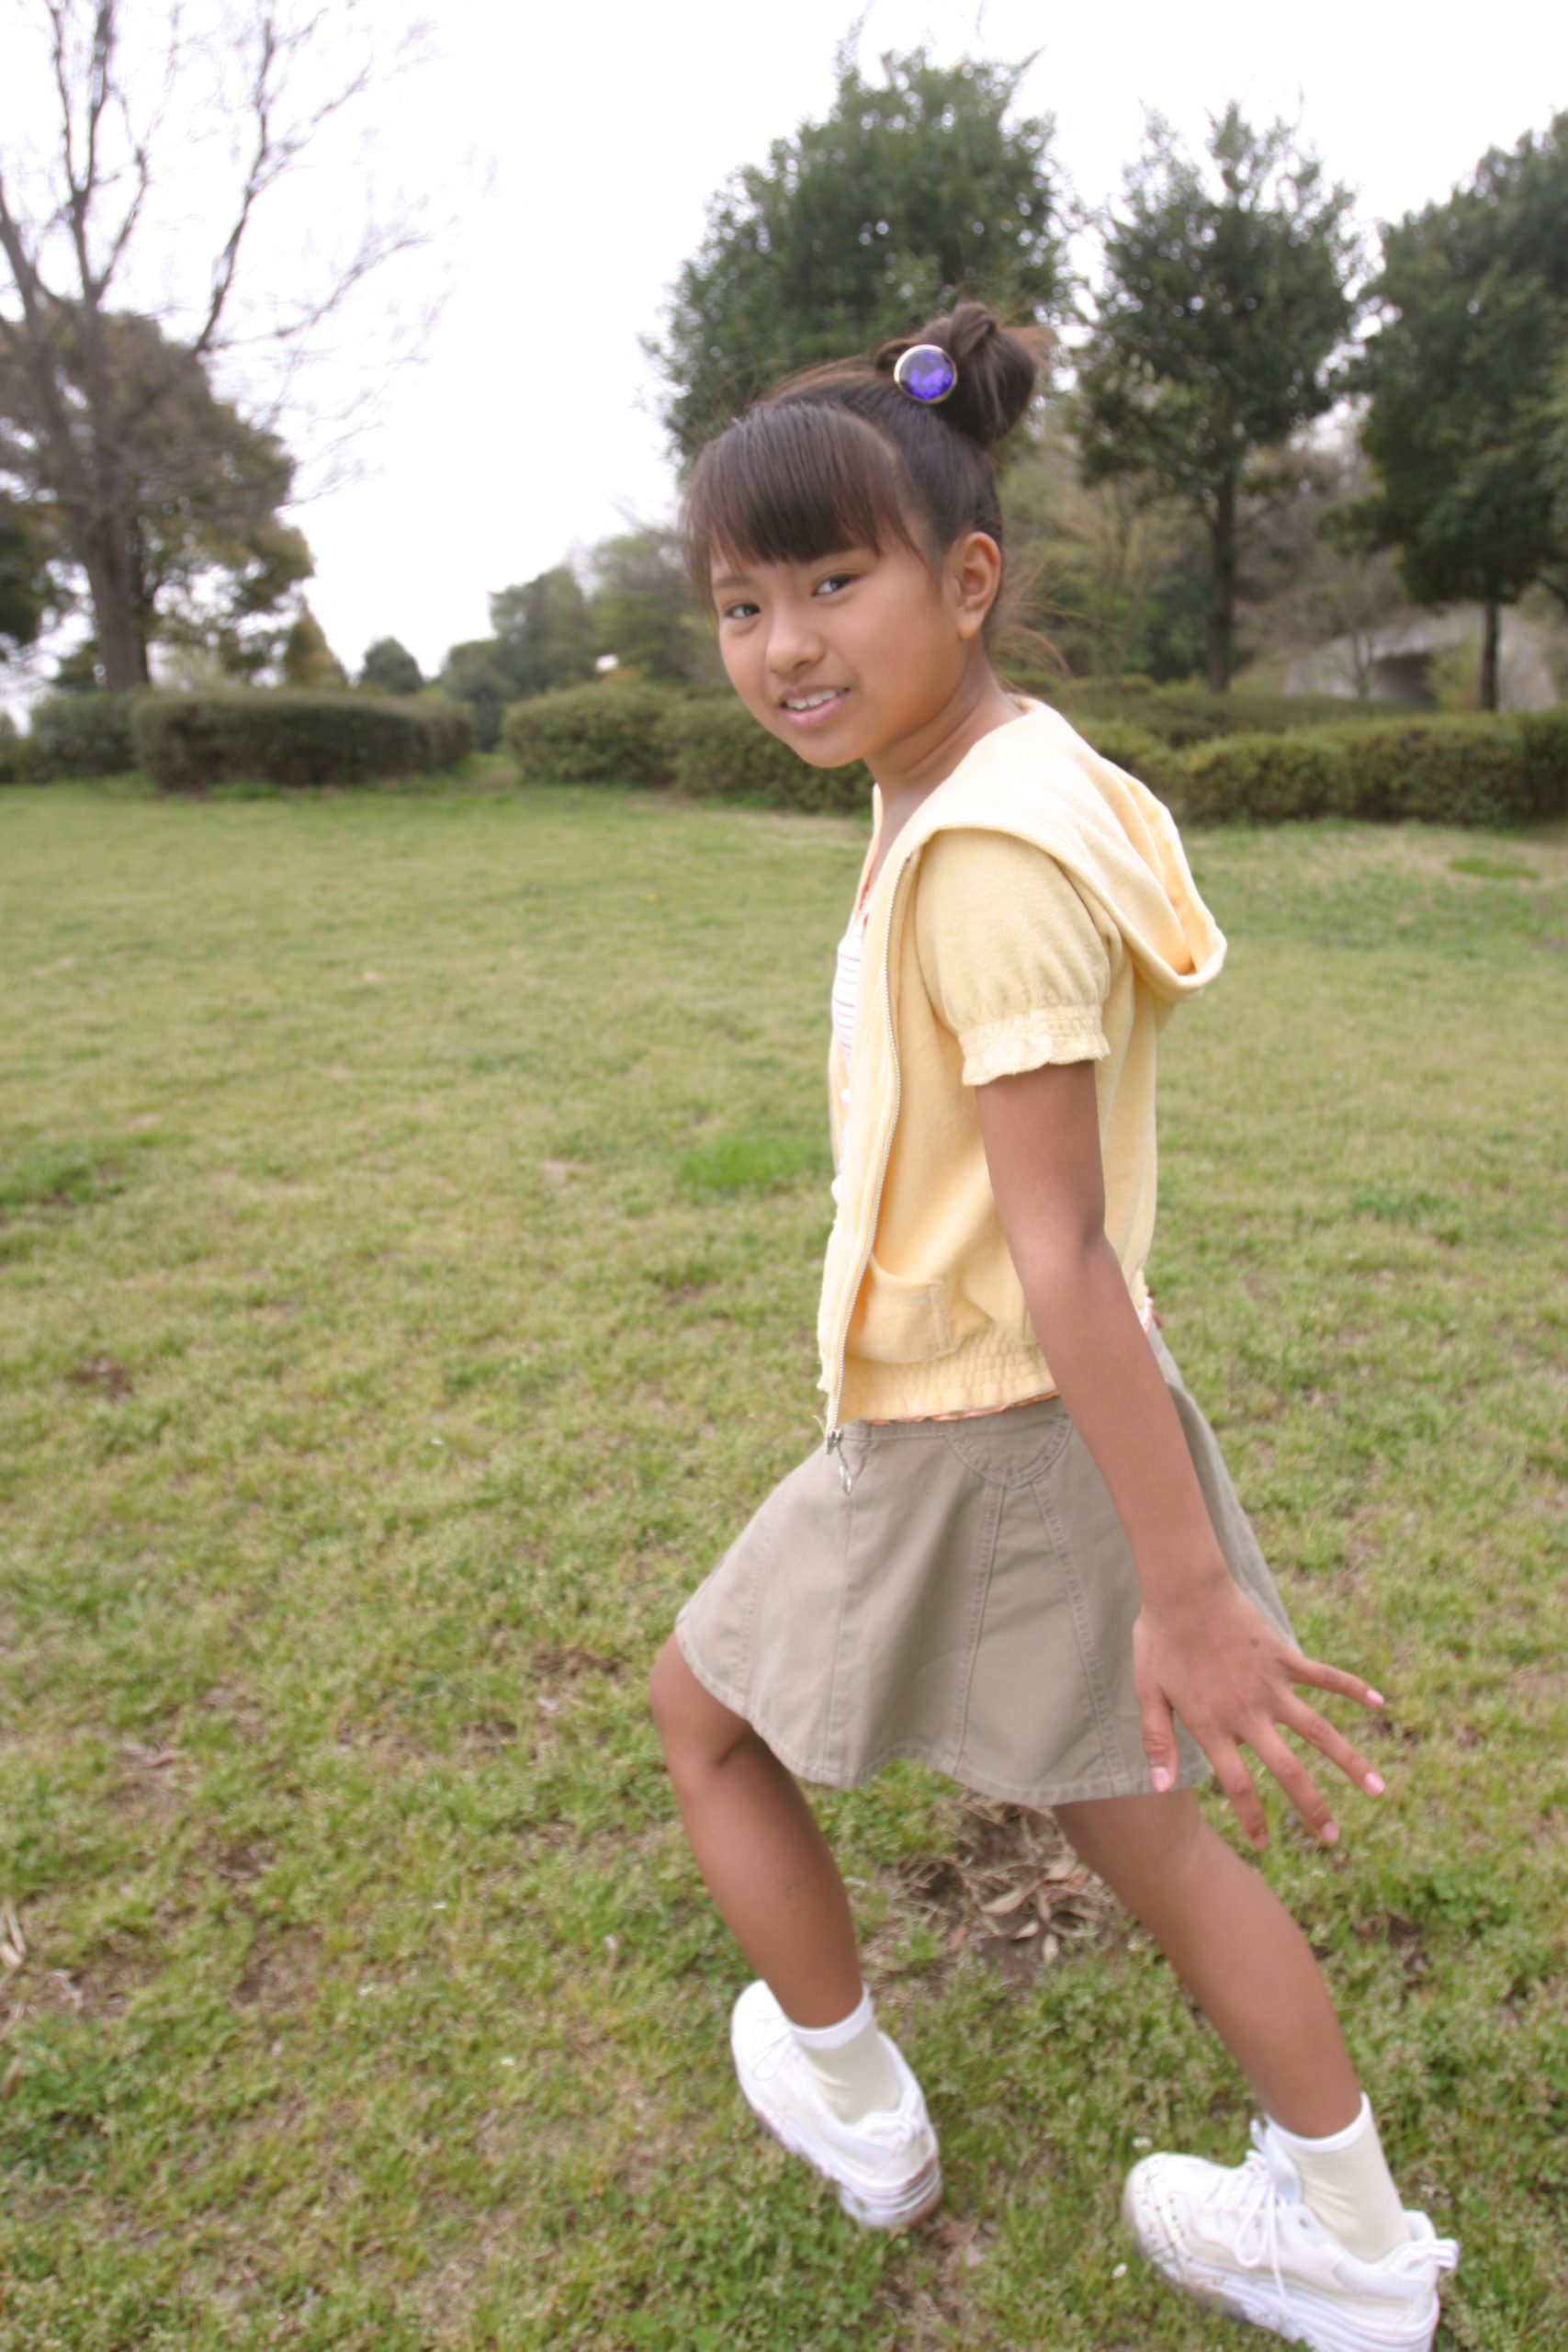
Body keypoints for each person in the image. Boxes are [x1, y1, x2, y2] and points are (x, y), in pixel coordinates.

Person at [647, 301, 1459, 2352]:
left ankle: (856, 2104)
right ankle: (1350, 2234)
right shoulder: (1005, 770)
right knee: (1143, 1834)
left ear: (968, 577)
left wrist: (1186, 1589)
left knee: (703, 1719)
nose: (783, 644)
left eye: (834, 581)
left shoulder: (984, 855)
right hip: (1037, 1417)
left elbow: (1061, 1245)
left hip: (979, 1422)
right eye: (741, 602)